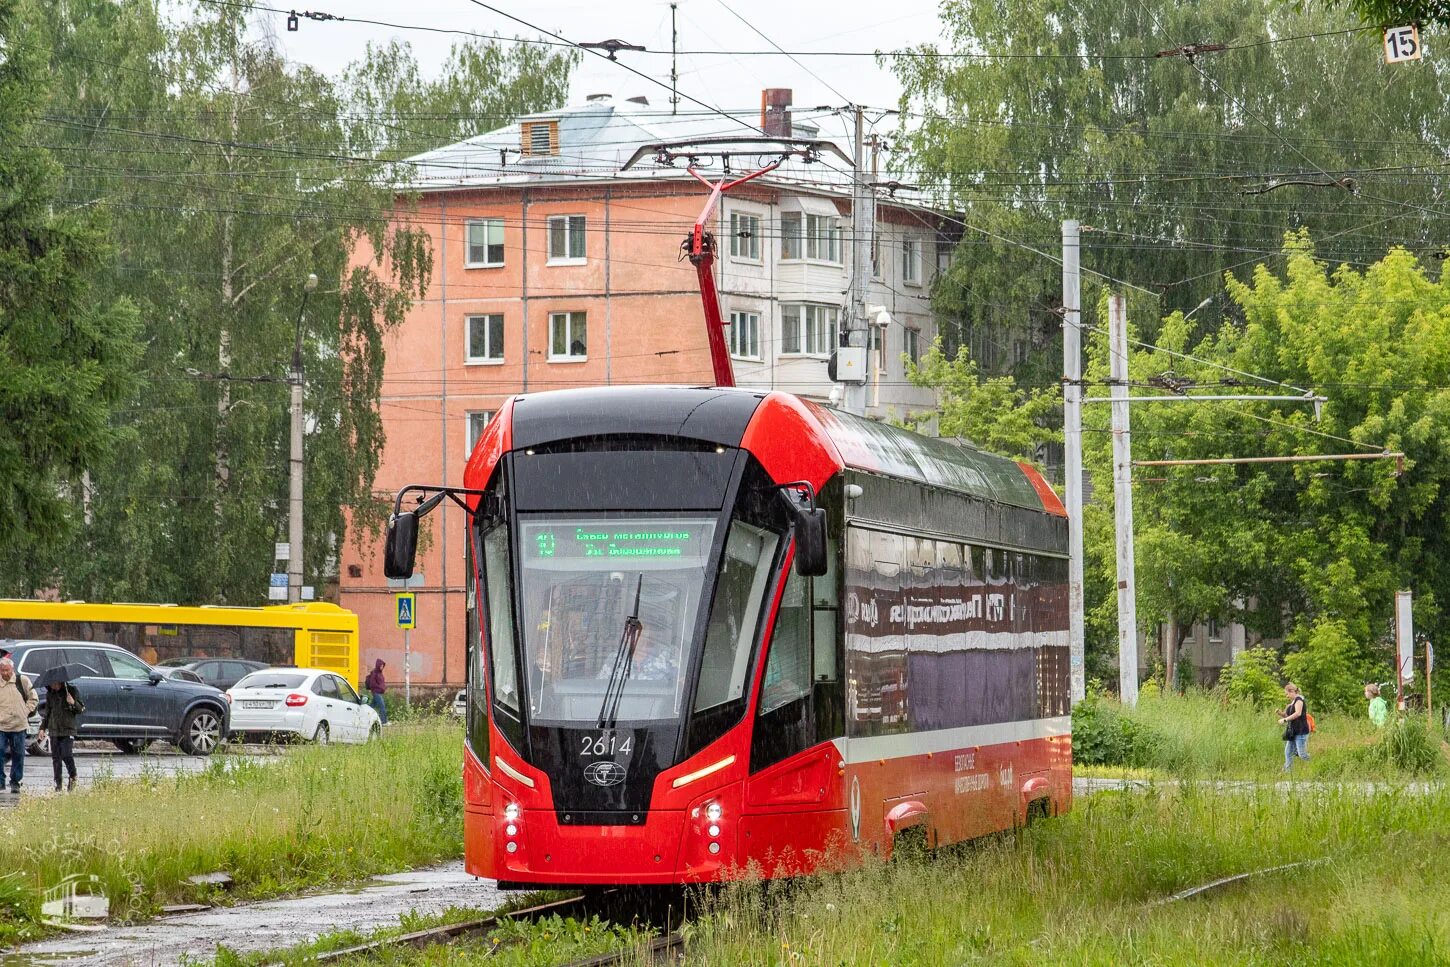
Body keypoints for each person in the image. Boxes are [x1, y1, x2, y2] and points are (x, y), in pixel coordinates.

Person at [38, 679, 83, 791]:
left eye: (55, 683)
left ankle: (73, 776)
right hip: (54, 730)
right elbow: (47, 712)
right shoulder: (50, 694)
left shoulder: (71, 690)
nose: (53, 686)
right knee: (56, 758)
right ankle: (58, 783)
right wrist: (43, 728)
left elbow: (80, 709)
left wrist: (73, 703)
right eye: (51, 684)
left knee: (66, 754)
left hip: (68, 729)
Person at [0, 659, 37, 793]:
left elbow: (33, 698)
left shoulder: (22, 681)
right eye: (2, 670)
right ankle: (0, 782)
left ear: (12, 670)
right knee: (0, 753)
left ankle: (15, 781)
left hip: (19, 726)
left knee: (18, 754)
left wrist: (25, 711)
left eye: (7, 670)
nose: (5, 673)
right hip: (1, 726)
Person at [1278, 682, 1311, 772]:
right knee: (1288, 752)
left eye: (1287, 694)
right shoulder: (1292, 703)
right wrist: (1281, 715)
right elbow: (1288, 715)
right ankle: (1288, 771)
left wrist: (1285, 720)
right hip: (1293, 732)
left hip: (1301, 731)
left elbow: (1298, 713)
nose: (1287, 696)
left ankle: (1315, 763)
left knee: (1302, 754)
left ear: (1292, 691)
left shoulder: (1299, 700)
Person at [364, 659, 388, 724]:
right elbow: (372, 684)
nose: (382, 667)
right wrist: (380, 688)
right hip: (376, 692)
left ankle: (364, 715)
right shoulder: (374, 673)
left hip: (379, 692)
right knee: (382, 706)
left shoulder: (380, 673)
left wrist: (383, 688)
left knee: (371, 706)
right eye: (381, 666)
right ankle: (384, 721)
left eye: (383, 666)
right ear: (378, 665)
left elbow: (381, 682)